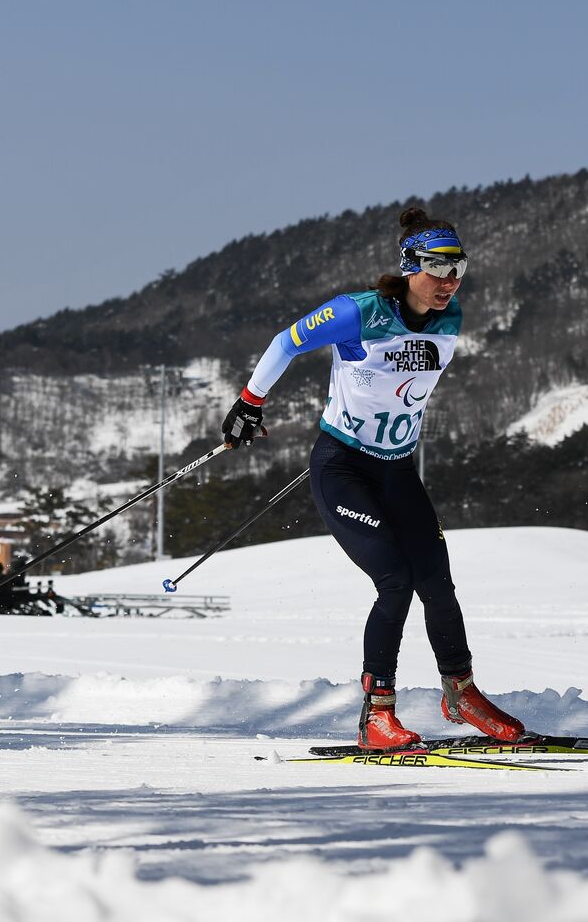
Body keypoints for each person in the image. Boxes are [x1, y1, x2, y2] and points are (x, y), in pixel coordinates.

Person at [220, 207, 524, 750]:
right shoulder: (360, 312)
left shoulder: (448, 319)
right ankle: (377, 714)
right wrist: (249, 404)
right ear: (410, 266)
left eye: (459, 271)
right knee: (396, 580)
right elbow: (285, 342)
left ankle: (461, 691)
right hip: (343, 468)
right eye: (437, 269)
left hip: (397, 469)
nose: (448, 284)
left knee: (437, 580)